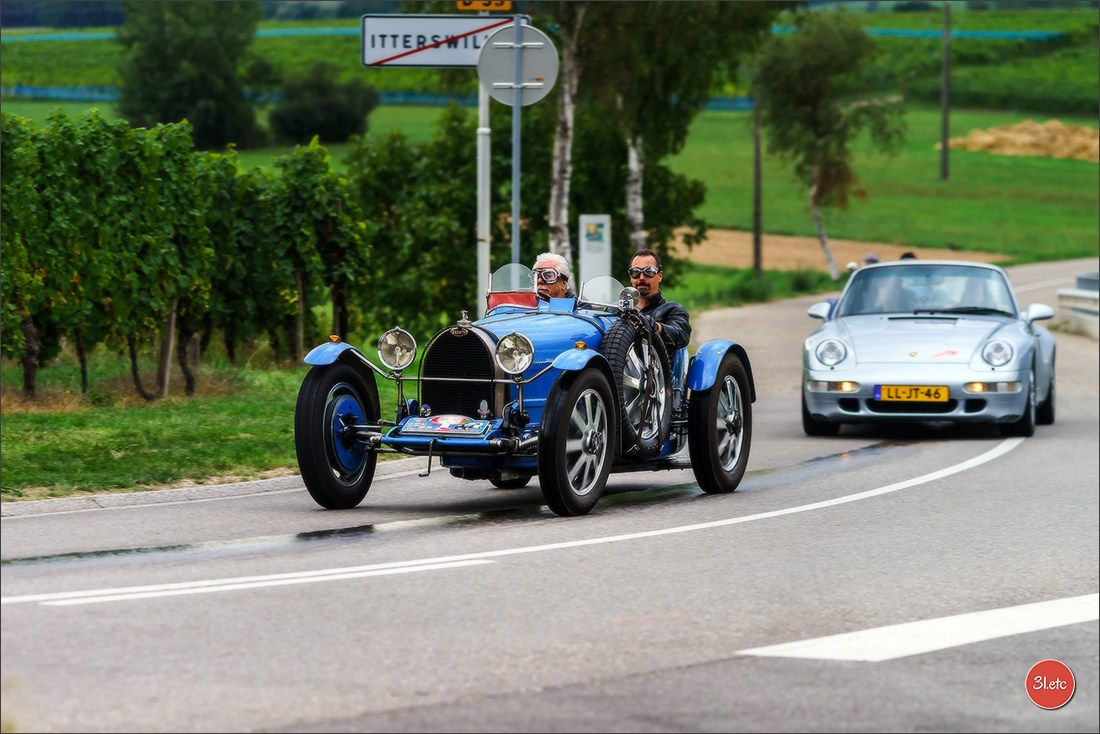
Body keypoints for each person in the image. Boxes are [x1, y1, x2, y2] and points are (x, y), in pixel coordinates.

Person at [628, 248, 691, 350]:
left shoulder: (673, 310)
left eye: (649, 271)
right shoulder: (616, 308)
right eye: (635, 272)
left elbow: (681, 334)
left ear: (659, 276)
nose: (641, 277)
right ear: (631, 277)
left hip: (655, 364)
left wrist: (657, 327)